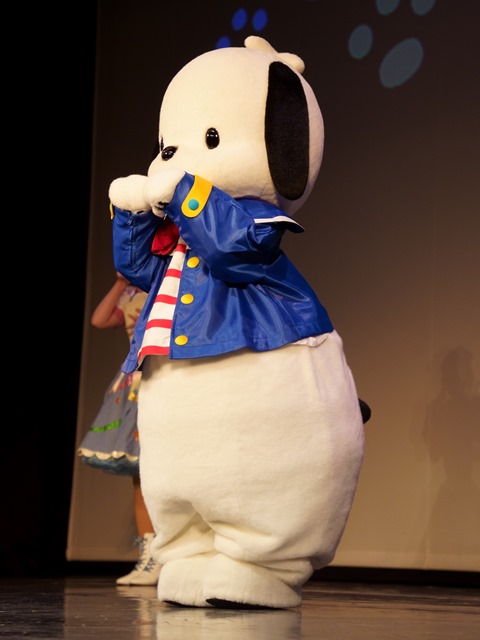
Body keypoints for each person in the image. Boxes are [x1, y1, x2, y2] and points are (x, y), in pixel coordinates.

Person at [77, 272, 161, 586]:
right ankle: (149, 556)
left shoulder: (170, 286)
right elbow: (99, 320)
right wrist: (121, 283)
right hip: (136, 385)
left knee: (168, 473)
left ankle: (173, 554)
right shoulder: (130, 296)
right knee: (140, 476)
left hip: (163, 376)